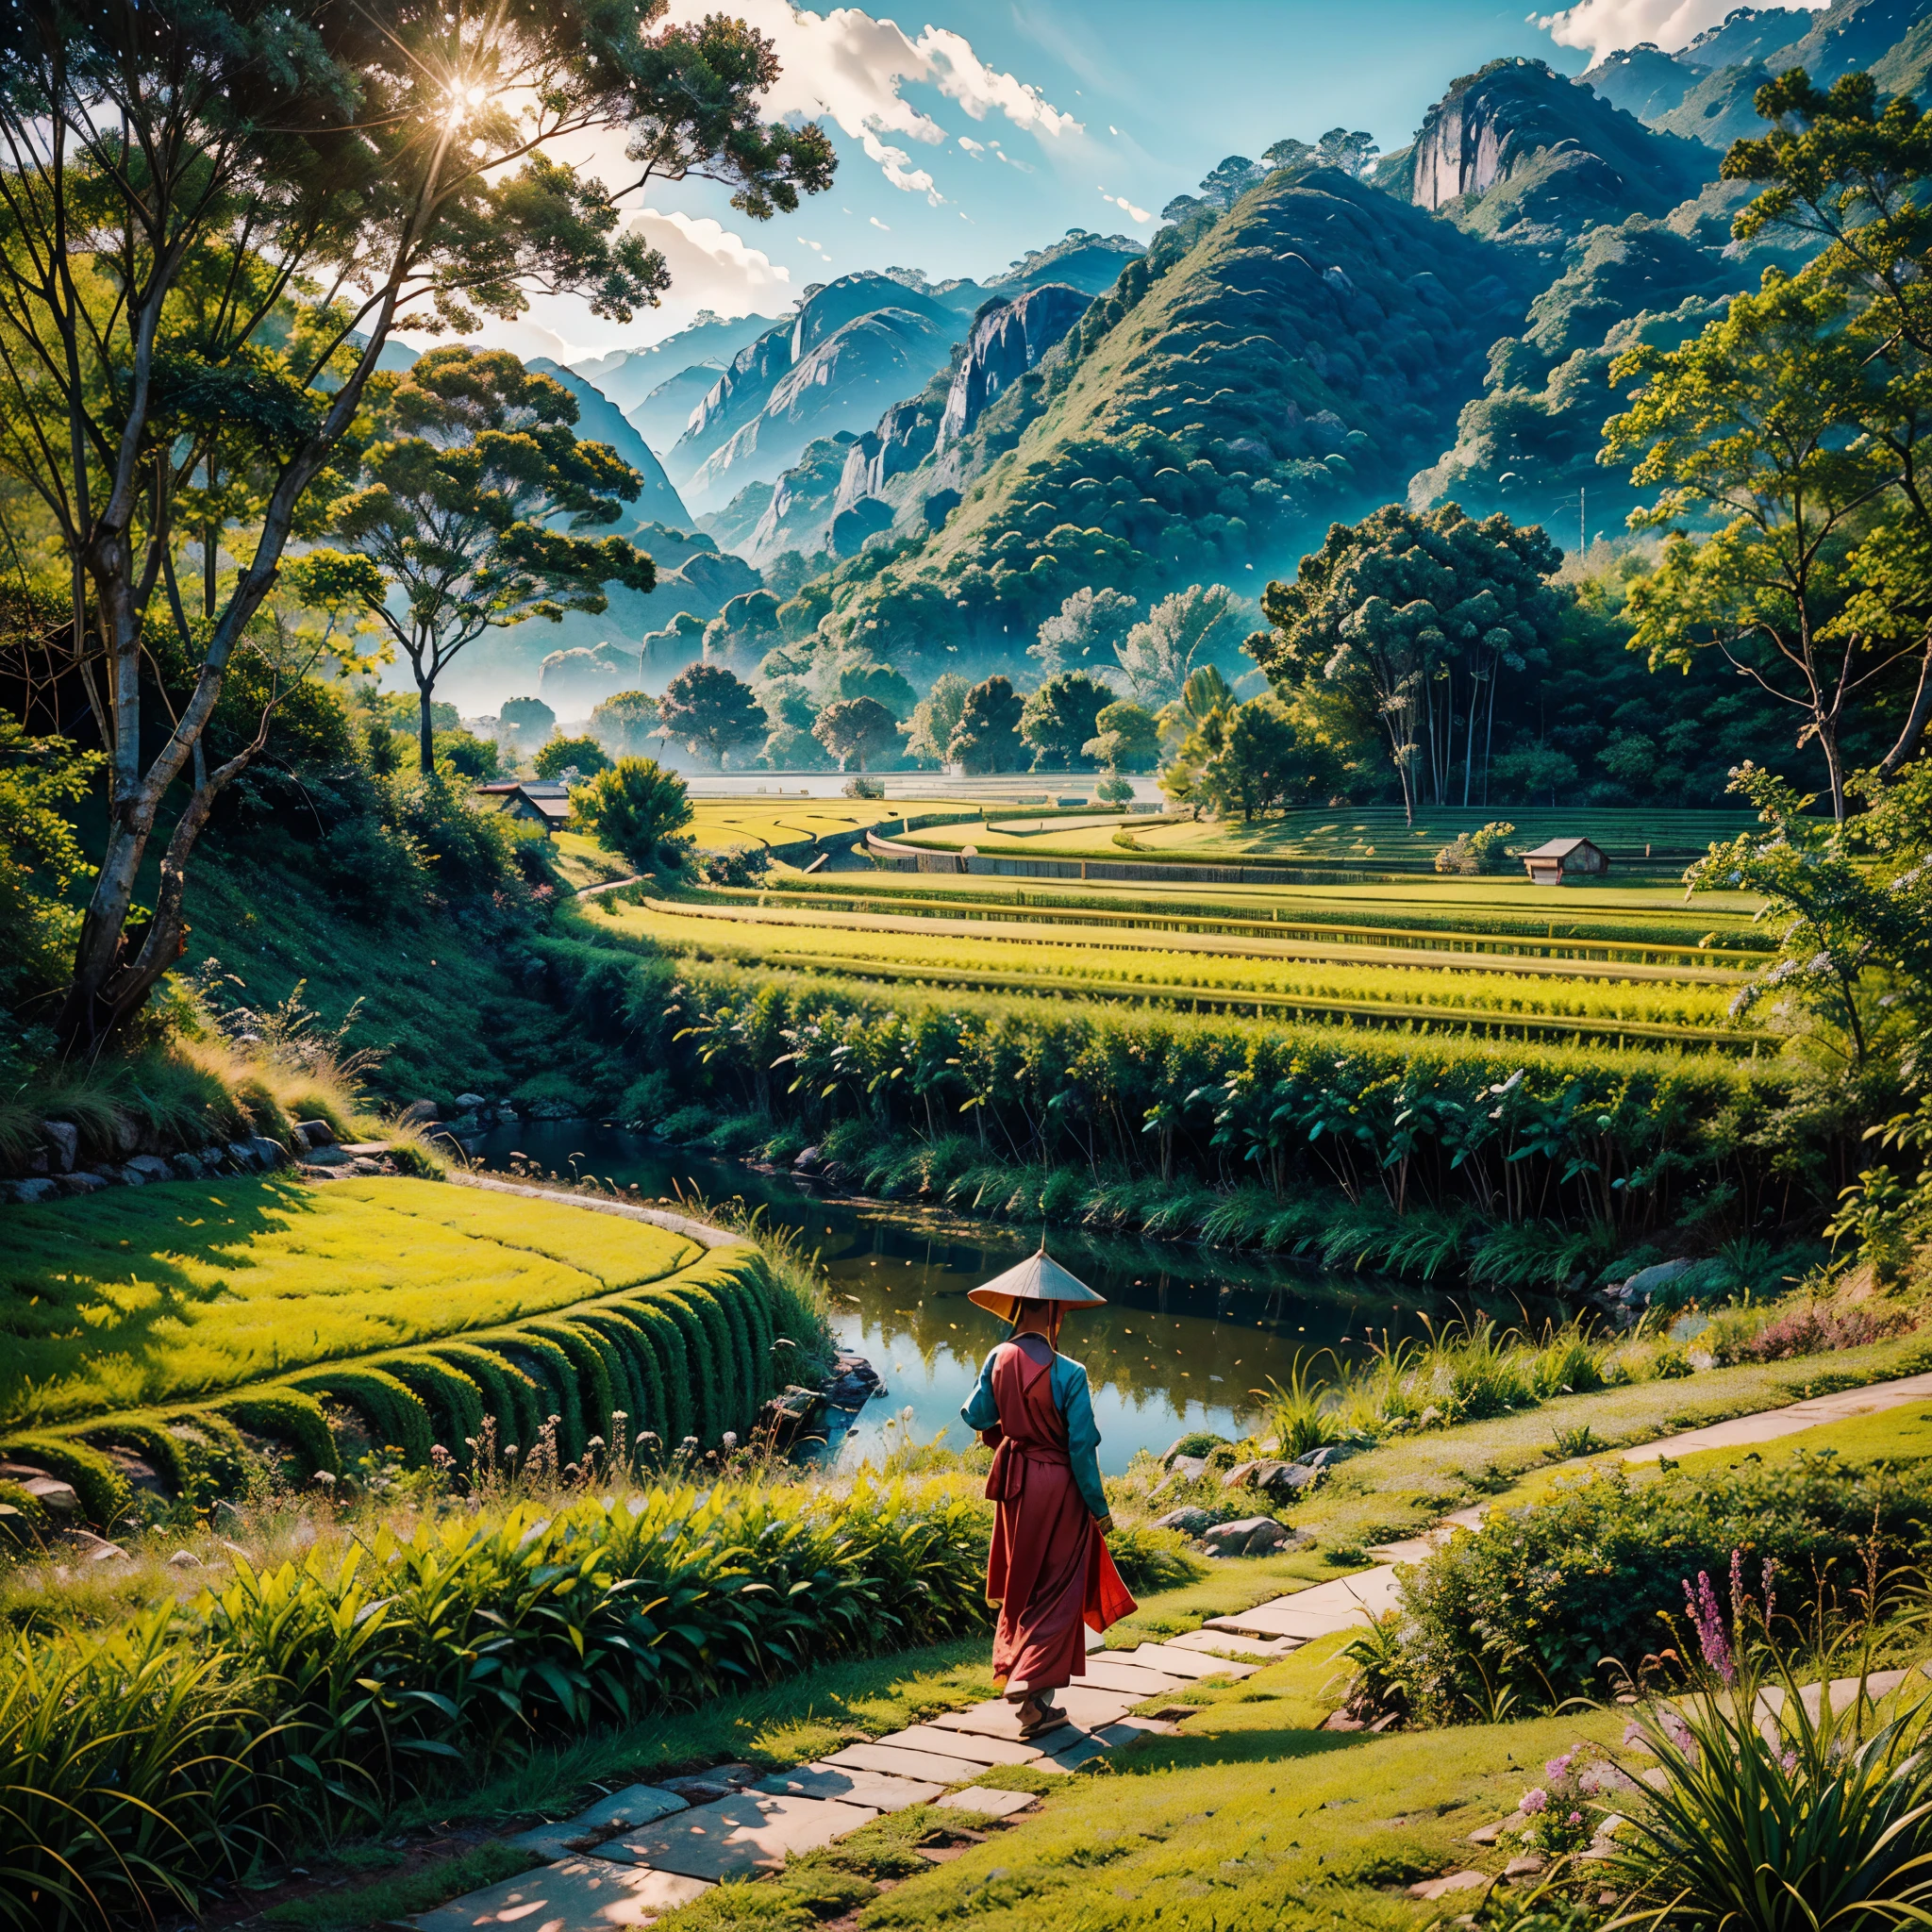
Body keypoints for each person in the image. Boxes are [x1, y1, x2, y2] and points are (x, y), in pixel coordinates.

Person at [960, 1249, 1136, 1738]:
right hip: (1058, 1489)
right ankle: (1028, 1679)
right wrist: (1099, 1510)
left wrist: (1009, 1428)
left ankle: (1034, 1708)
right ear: (1057, 1312)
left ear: (1016, 1307)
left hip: (1016, 1486)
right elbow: (1081, 1449)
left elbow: (974, 1416)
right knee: (1059, 1587)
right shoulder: (1071, 1372)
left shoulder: (997, 1356)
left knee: (1026, 1583)